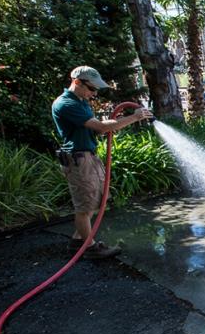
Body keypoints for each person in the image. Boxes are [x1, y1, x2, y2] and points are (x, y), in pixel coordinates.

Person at [52, 66, 153, 259]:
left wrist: (117, 123)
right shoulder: (65, 104)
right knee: (84, 206)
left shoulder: (81, 101)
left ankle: (78, 241)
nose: (95, 93)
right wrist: (134, 117)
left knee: (96, 200)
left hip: (88, 156)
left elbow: (97, 128)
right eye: (92, 89)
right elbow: (99, 127)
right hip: (78, 159)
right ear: (77, 82)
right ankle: (89, 248)